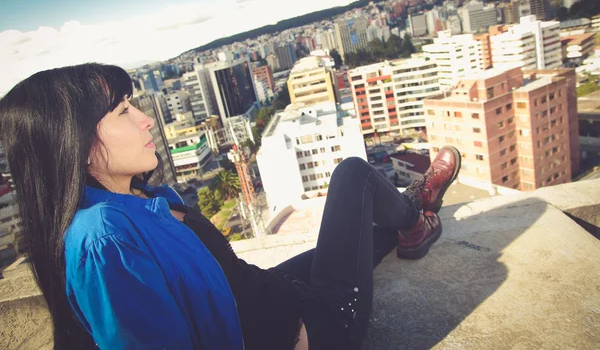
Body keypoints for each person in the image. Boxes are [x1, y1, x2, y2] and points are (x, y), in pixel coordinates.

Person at [0, 63, 461, 350]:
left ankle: (410, 221)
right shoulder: (105, 238)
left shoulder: (137, 198)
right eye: (122, 111)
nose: (144, 119)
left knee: (350, 238)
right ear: (74, 146)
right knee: (353, 174)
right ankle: (415, 216)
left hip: (267, 291)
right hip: (315, 327)